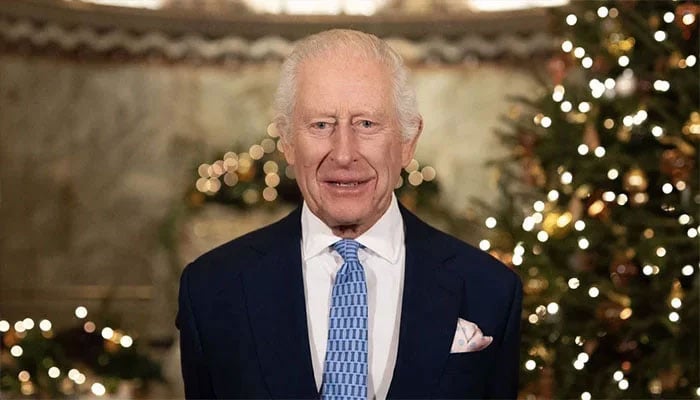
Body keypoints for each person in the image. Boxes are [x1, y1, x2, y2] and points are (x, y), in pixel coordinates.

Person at [177, 29, 522, 399]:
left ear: (407, 142)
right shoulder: (212, 290)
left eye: (367, 124)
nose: (343, 154)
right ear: (288, 141)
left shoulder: (490, 290)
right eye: (321, 125)